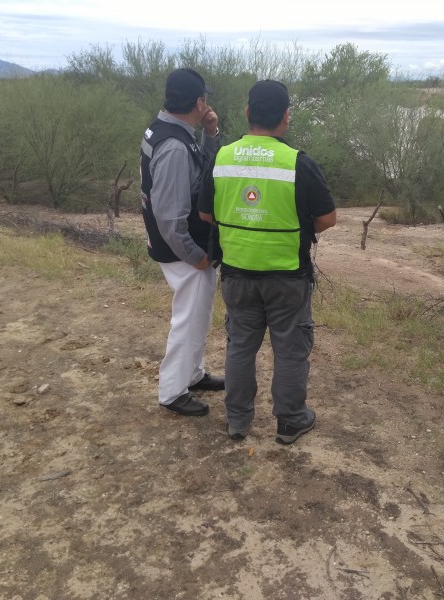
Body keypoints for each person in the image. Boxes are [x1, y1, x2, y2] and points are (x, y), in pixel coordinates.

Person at [198, 79, 337, 444]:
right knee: (290, 350)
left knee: (241, 345)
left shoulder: (222, 157)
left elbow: (205, 214)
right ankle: (291, 421)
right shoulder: (298, 163)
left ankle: (237, 421)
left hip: (237, 274)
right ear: (286, 118)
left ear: (247, 113)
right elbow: (327, 220)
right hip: (287, 276)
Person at [139, 67, 225, 417]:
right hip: (184, 252)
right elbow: (170, 216)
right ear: (198, 101)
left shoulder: (168, 130)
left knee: (197, 316)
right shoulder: (174, 145)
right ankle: (173, 391)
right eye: (205, 98)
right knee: (189, 319)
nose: (207, 103)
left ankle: (192, 373)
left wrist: (211, 133)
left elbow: (203, 169)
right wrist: (196, 256)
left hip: (179, 248)